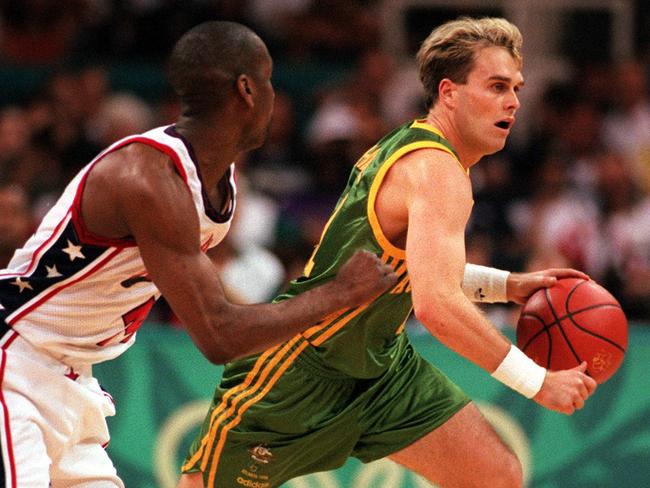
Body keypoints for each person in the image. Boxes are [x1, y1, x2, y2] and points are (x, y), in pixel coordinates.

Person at [179, 17, 597, 488]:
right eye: (497, 86)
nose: (514, 102)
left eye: (517, 88)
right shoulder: (437, 170)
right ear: (450, 92)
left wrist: (504, 285)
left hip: (381, 367)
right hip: (303, 366)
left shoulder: (421, 148)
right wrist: (538, 383)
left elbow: (414, 269)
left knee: (496, 476)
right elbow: (435, 305)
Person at [0, 21, 398, 487]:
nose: (276, 95)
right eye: (269, 80)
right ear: (247, 90)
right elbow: (218, 335)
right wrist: (339, 293)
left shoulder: (216, 181)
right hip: (15, 362)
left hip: (71, 378)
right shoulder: (148, 179)